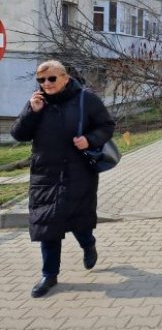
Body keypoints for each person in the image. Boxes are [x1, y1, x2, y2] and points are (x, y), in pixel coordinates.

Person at [11, 60, 115, 298]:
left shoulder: (85, 99)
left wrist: (90, 140)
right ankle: (49, 275)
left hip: (78, 171)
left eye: (51, 79)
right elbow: (18, 133)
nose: (46, 84)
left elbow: (107, 126)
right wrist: (31, 111)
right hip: (45, 173)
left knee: (79, 220)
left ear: (65, 78)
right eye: (41, 80)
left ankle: (88, 245)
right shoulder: (37, 102)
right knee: (47, 224)